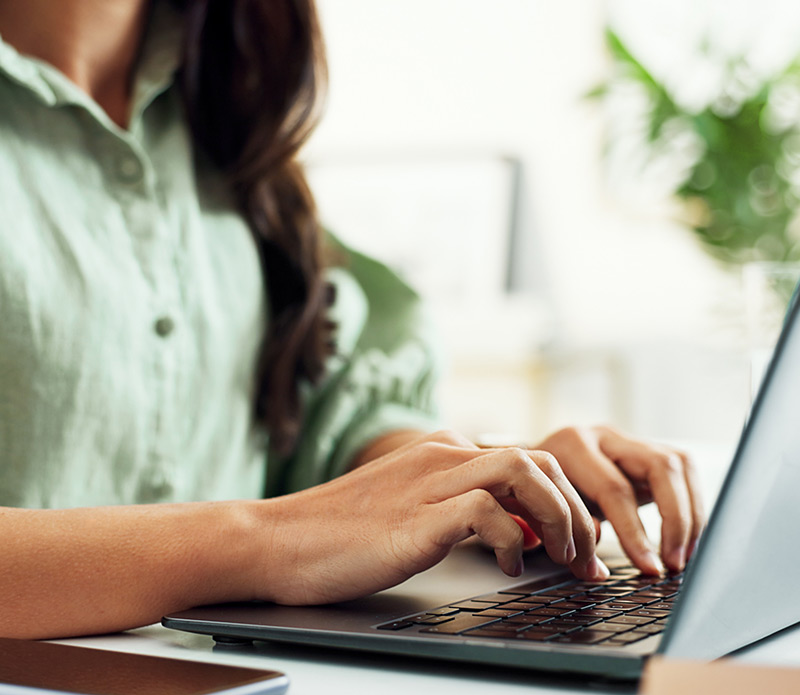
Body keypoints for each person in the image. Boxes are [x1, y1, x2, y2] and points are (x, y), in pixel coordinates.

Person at [0, 0, 704, 640]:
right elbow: (300, 528)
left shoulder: (221, 100)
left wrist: (488, 483)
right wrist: (275, 539)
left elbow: (314, 416)